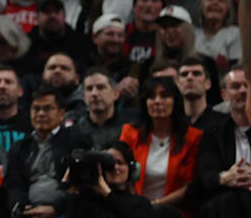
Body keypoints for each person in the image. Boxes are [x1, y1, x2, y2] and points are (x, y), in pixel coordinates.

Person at [5, 87, 94, 217]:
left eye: (47, 109)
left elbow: (83, 183)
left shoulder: (76, 139)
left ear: (61, 113)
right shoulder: (20, 147)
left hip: (67, 210)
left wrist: (56, 208)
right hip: (31, 211)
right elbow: (14, 185)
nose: (41, 113)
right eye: (36, 109)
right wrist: (23, 207)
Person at [118, 77, 202, 212]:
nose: (157, 101)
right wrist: (139, 207)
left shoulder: (193, 137)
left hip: (173, 211)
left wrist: (155, 205)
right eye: (151, 97)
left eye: (164, 96)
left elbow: (189, 186)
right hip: (134, 210)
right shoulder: (130, 133)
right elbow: (121, 175)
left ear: (175, 101)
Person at [197, 69, 251, 217]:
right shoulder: (214, 131)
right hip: (224, 202)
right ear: (224, 95)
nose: (243, 91)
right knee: (229, 199)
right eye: (235, 86)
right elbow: (207, 175)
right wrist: (226, 177)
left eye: (247, 85)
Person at [64, 141, 154, 218]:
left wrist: (107, 193)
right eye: (109, 163)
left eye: (120, 162)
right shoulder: (86, 201)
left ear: (131, 169)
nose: (115, 167)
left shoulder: (140, 204)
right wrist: (73, 186)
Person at [73, 67, 134, 148]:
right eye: (89, 89)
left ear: (115, 93)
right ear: (84, 96)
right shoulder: (75, 131)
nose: (94, 93)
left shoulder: (132, 125)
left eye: (100, 87)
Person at [176, 55, 227, 132]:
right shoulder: (172, 124)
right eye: (184, 74)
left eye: (196, 73)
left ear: (208, 83)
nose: (189, 77)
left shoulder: (224, 122)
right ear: (178, 85)